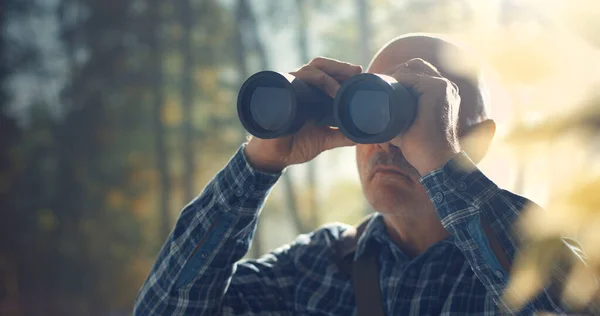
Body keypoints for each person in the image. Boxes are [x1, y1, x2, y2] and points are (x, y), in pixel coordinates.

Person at [133, 34, 593, 315]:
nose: (387, 140)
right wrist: (258, 163)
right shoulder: (313, 272)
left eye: (409, 113)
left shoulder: (537, 260)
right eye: (370, 111)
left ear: (478, 139)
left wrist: (444, 166)